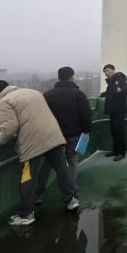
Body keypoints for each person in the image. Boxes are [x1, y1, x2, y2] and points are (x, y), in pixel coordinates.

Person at [0, 80, 79, 226]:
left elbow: (9, 128)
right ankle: (72, 199)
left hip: (32, 142)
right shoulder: (34, 92)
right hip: (53, 136)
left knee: (27, 178)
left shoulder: (4, 102)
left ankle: (26, 214)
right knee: (63, 170)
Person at [35, 66, 92, 204]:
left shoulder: (47, 95)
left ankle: (38, 195)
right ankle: (71, 196)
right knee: (71, 161)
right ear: (72, 76)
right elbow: (85, 114)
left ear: (59, 77)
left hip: (52, 136)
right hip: (72, 134)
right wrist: (86, 131)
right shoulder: (78, 94)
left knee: (47, 163)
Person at [99, 64, 127, 161]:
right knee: (114, 131)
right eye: (105, 72)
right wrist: (104, 94)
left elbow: (126, 88)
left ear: (113, 70)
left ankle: (121, 153)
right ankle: (116, 150)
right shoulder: (112, 81)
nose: (107, 73)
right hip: (113, 110)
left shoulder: (119, 78)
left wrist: (120, 90)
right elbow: (112, 91)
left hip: (119, 110)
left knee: (119, 132)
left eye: (108, 70)